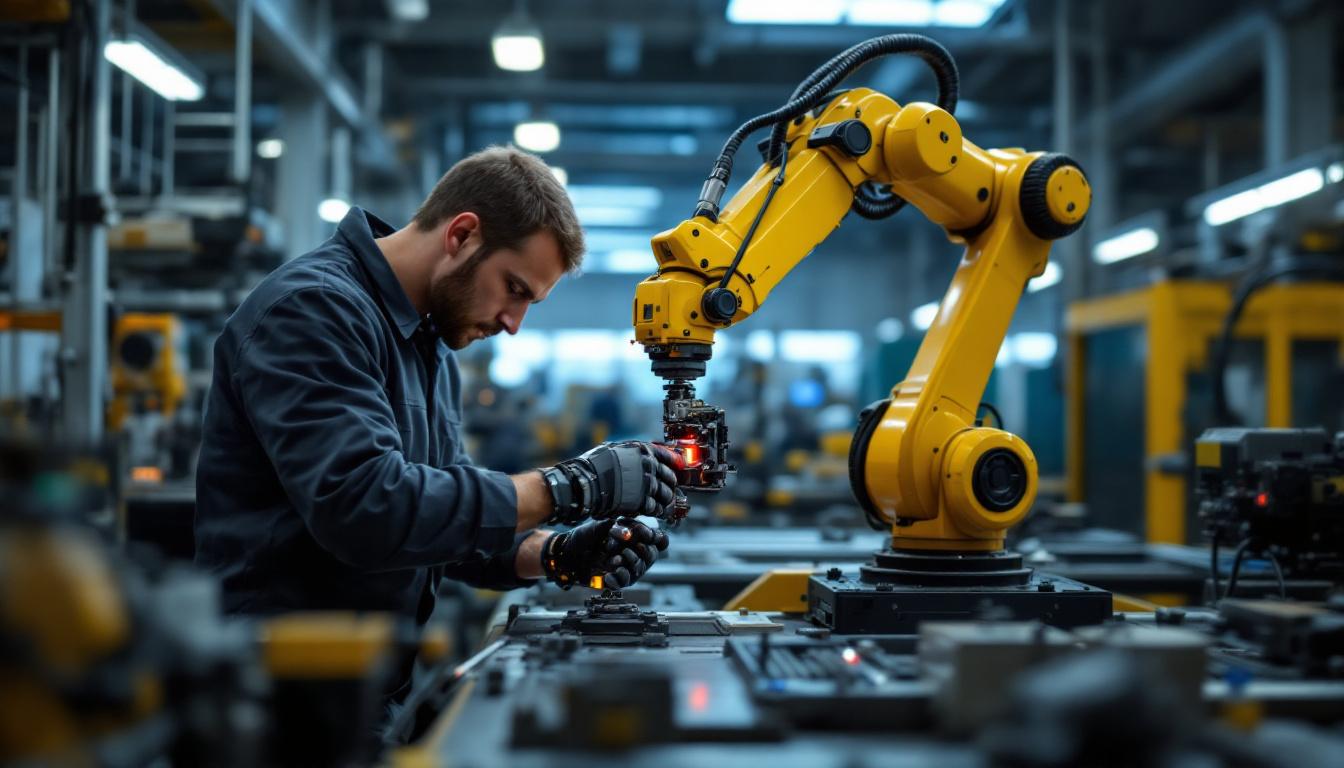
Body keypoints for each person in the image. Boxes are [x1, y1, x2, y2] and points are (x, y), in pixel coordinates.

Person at [194, 146, 679, 721]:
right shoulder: (313, 310)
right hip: (272, 708)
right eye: (515, 289)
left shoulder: (431, 348)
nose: (513, 324)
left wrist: (557, 554)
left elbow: (435, 524)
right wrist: (566, 488)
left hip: (360, 694)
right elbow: (368, 509)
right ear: (463, 235)